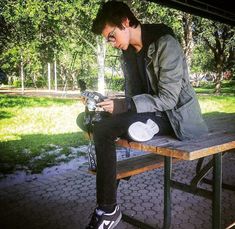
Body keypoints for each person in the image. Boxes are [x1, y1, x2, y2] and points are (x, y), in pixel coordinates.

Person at [78, 1, 208, 228]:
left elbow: (168, 99)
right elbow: (133, 97)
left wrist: (124, 106)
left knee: (104, 129)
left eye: (111, 35)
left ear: (126, 22)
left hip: (175, 117)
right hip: (148, 113)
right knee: (88, 119)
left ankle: (108, 210)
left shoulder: (166, 44)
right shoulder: (127, 53)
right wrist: (106, 103)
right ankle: (141, 130)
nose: (111, 43)